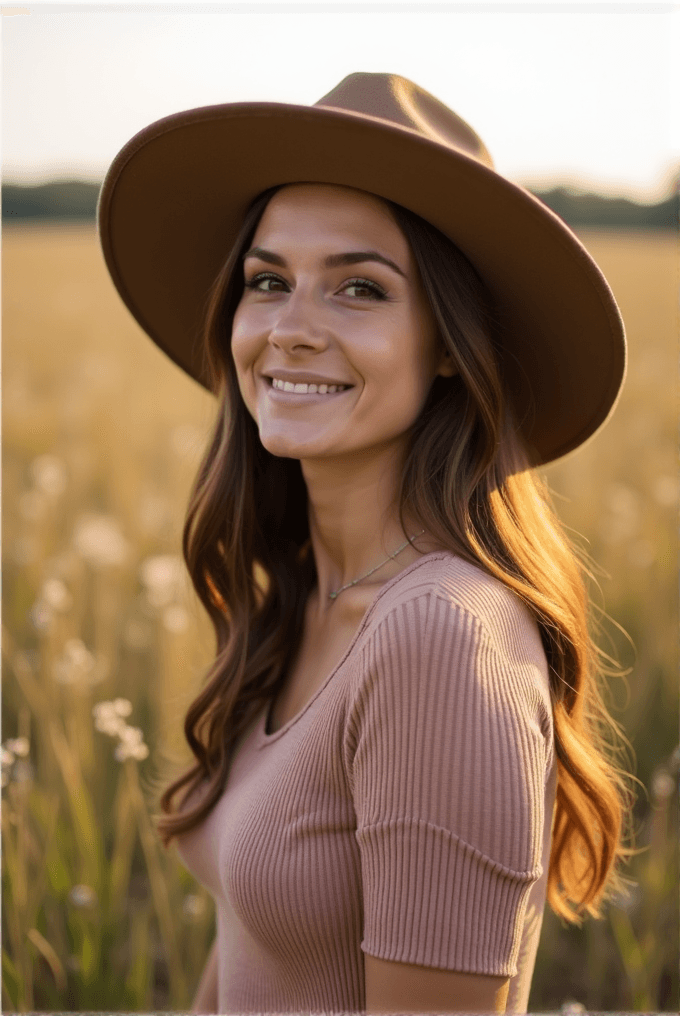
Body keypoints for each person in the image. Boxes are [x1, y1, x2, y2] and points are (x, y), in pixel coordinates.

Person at [98, 72, 640, 1015]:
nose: (291, 330)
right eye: (268, 281)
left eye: (358, 288)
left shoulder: (437, 637)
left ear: (446, 343)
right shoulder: (306, 596)